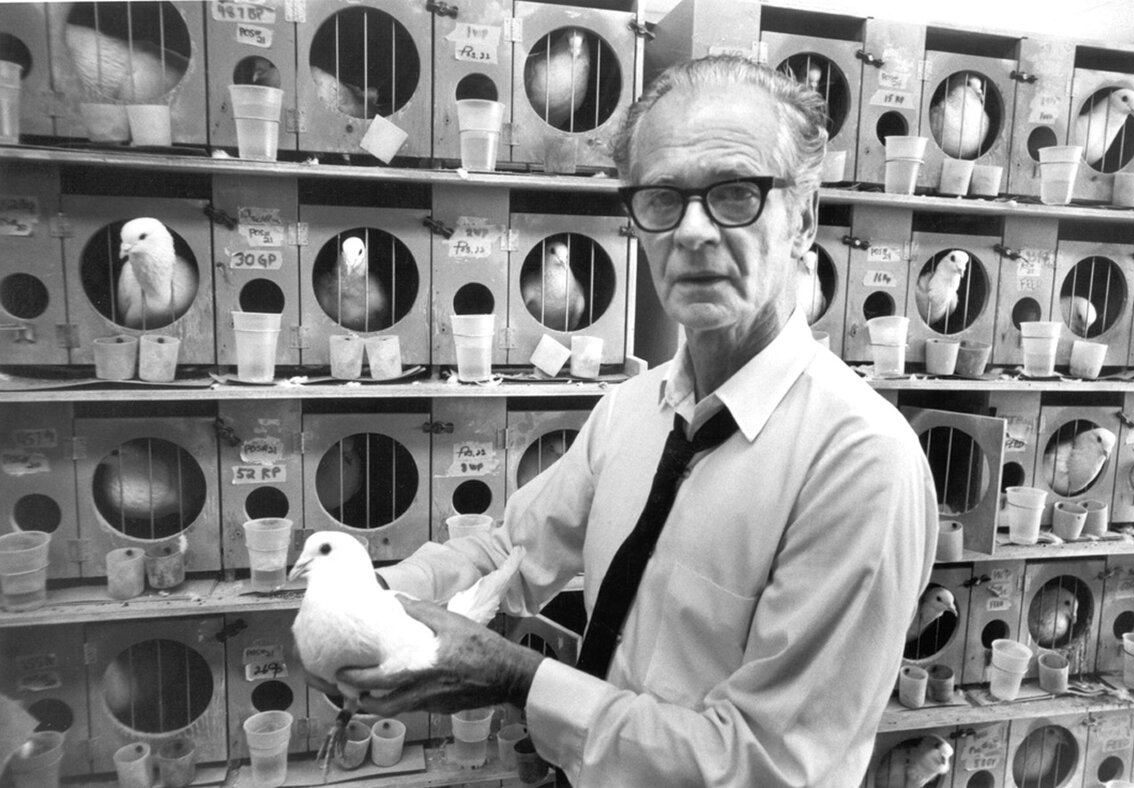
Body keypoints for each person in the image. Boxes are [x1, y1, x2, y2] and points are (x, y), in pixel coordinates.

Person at [329, 55, 939, 787]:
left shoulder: (861, 463)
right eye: (662, 198)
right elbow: (511, 552)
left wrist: (516, 677)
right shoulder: (630, 410)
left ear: (803, 220)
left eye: (735, 193)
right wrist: (373, 599)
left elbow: (765, 764)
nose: (693, 231)